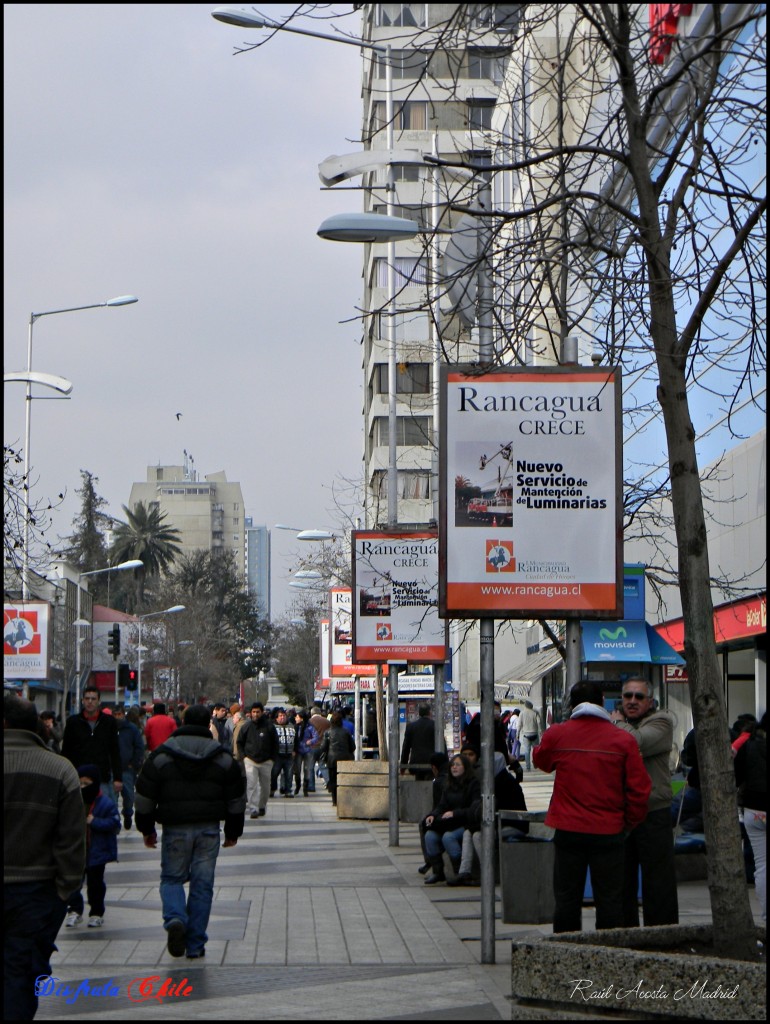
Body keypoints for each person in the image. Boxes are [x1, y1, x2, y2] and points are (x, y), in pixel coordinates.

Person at [534, 681, 650, 932]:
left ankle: (566, 954)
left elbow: (541, 761)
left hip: (568, 830)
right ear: (602, 702)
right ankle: (608, 954)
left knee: (566, 899)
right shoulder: (622, 740)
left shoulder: (558, 734)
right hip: (609, 831)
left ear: (571, 705)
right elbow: (640, 789)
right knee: (609, 900)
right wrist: (628, 822)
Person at [135, 703, 246, 960]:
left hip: (174, 828)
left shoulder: (162, 756)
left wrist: (146, 828)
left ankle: (175, 919)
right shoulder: (221, 757)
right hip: (208, 829)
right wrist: (233, 831)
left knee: (172, 879)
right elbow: (236, 798)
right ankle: (195, 944)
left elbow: (144, 796)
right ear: (209, 722)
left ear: (182, 722)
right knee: (202, 886)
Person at [4, 695, 86, 1021]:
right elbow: (73, 839)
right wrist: (65, 890)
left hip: (36, 893)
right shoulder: (60, 769)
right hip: (36, 894)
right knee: (21, 976)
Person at [611, 677, 678, 927]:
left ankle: (662, 935)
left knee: (658, 882)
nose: (632, 701)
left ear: (650, 701)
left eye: (639, 697)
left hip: (653, 812)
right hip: (624, 814)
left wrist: (617, 723)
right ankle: (625, 934)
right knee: (621, 881)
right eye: (627, 696)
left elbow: (635, 743)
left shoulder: (661, 721)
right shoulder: (621, 726)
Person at [449, 751, 530, 887]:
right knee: (468, 833)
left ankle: (488, 873)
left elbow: (500, 810)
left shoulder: (505, 783)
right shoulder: (491, 781)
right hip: (497, 823)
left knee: (478, 836)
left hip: (513, 825)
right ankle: (464, 872)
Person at [64, 764, 121, 929]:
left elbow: (114, 823)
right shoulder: (73, 801)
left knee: (95, 884)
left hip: (97, 851)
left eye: (86, 784)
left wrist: (94, 822)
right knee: (74, 882)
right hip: (76, 850)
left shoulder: (105, 803)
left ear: (95, 783)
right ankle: (74, 910)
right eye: (80, 784)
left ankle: (96, 912)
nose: (82, 787)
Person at [423, 754, 481, 885]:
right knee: (430, 836)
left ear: (465, 767)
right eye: (452, 765)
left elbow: (474, 808)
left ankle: (458, 872)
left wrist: (455, 813)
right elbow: (441, 805)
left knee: (448, 838)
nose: (454, 768)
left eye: (458, 765)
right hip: (448, 823)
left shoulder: (473, 784)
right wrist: (433, 815)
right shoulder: (448, 784)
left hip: (465, 822)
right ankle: (438, 872)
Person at [62, 686, 123, 802]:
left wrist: (118, 778)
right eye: (87, 698)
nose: (90, 702)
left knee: (104, 810)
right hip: (78, 777)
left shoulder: (109, 722)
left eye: (93, 699)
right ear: (83, 701)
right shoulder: (73, 722)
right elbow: (66, 751)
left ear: (99, 701)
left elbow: (115, 751)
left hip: (102, 777)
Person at [734, 712, 766, 921]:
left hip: (754, 811)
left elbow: (737, 776)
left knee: (762, 866)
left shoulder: (749, 746)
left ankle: (766, 915)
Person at [237, 702, 278, 818]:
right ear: (250, 713)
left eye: (258, 712)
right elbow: (239, 742)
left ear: (262, 712)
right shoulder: (246, 727)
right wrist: (243, 757)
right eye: (253, 712)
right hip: (250, 760)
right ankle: (253, 808)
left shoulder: (269, 726)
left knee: (265, 787)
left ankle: (261, 806)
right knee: (251, 785)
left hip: (266, 761)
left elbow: (275, 743)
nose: (255, 714)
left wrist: (272, 759)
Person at [112, 705, 145, 830]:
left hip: (127, 769)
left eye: (119, 714)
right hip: (112, 769)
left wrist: (134, 764)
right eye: (115, 715)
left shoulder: (132, 729)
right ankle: (115, 820)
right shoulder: (109, 728)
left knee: (129, 797)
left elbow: (139, 747)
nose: (117, 717)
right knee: (112, 798)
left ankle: (128, 813)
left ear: (123, 715)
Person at [417, 751, 450, 875]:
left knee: (423, 824)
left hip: (447, 817)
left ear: (434, 768)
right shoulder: (451, 775)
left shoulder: (439, 781)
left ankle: (430, 861)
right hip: (454, 814)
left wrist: (431, 816)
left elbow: (438, 806)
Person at [319, 710, 355, 806]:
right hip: (345, 759)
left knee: (333, 780)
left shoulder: (328, 733)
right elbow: (353, 746)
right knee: (345, 780)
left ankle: (335, 800)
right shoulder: (346, 732)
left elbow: (323, 747)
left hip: (332, 760)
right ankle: (345, 799)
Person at [400, 704, 436, 780]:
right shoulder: (435, 726)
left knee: (419, 782)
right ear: (429, 713)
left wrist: (403, 765)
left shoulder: (411, 727)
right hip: (431, 764)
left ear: (419, 713)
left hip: (415, 764)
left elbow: (406, 748)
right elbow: (442, 746)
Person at [271, 708, 297, 797]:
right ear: (277, 718)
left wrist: (294, 750)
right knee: (274, 773)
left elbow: (296, 739)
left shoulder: (292, 726)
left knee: (289, 774)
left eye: (284, 716)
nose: (282, 718)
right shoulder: (273, 727)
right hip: (277, 755)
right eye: (280, 716)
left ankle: (288, 790)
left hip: (289, 754)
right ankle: (272, 789)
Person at [295, 710, 320, 796]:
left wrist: (311, 741)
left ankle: (305, 788)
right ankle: (298, 785)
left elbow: (316, 736)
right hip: (298, 751)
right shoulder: (295, 727)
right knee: (297, 770)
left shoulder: (309, 727)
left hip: (307, 751)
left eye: (297, 717)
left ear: (301, 719)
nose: (296, 718)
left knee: (307, 769)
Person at [518, 700, 542, 771]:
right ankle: (536, 764)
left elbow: (519, 725)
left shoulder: (522, 713)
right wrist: (540, 731)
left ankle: (528, 766)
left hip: (526, 734)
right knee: (536, 750)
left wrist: (517, 734)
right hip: (534, 733)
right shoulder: (535, 713)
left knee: (526, 751)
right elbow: (539, 722)